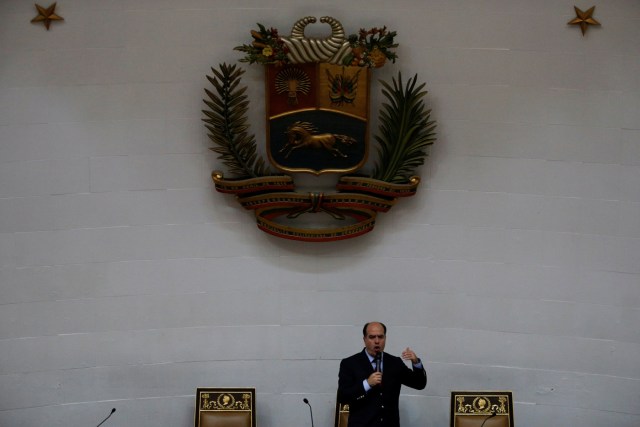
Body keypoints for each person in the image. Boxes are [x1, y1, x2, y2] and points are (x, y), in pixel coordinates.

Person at [337, 322, 427, 427]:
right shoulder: (350, 363)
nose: (376, 341)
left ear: (385, 338)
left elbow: (419, 384)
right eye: (372, 337)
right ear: (364, 339)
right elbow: (342, 397)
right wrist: (367, 384)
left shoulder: (394, 362)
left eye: (380, 337)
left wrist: (416, 363)